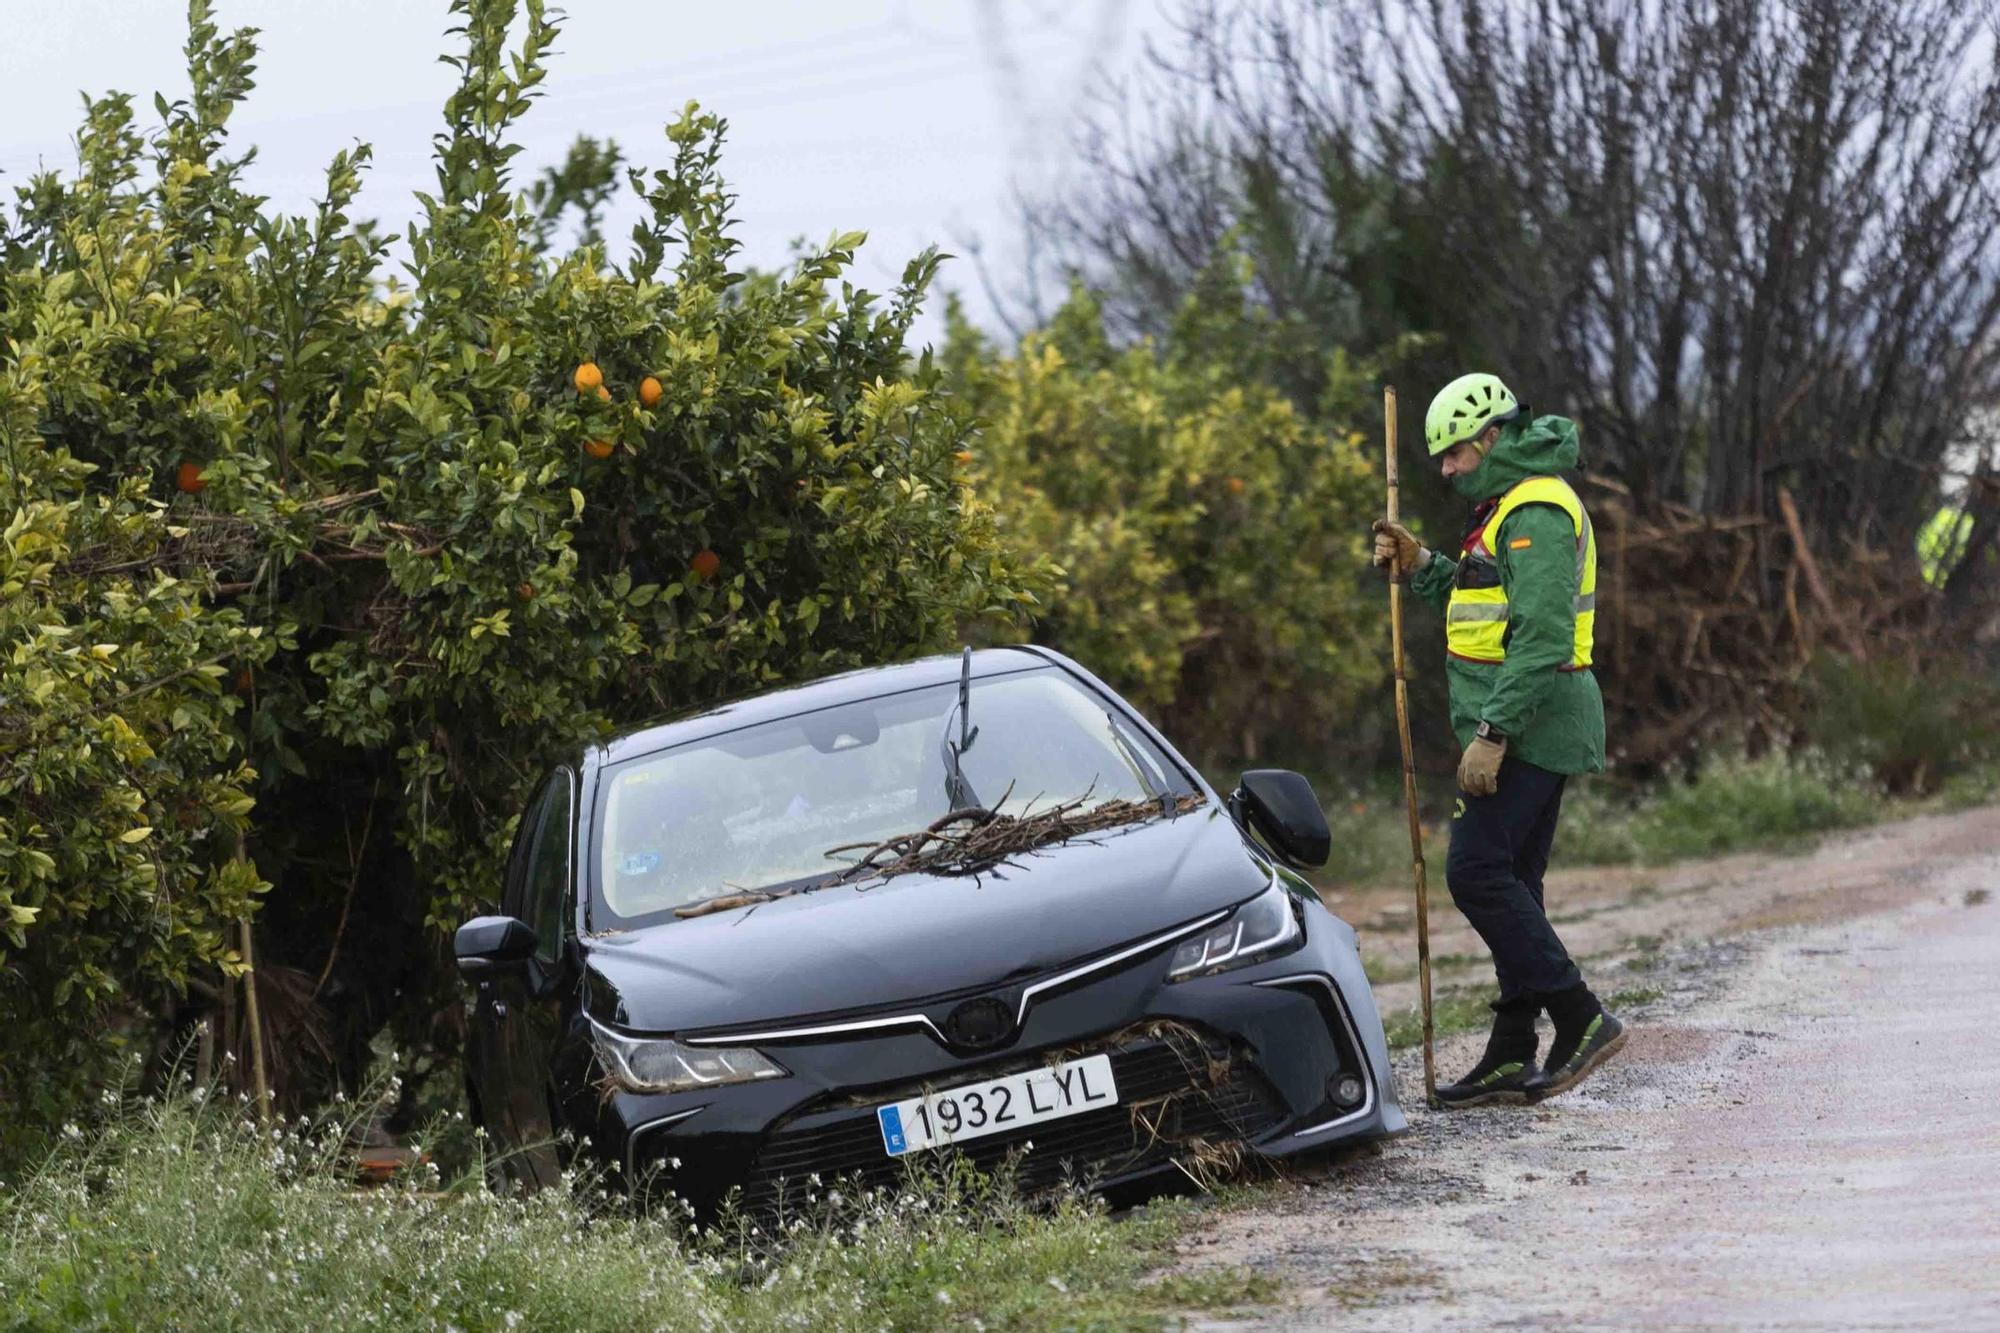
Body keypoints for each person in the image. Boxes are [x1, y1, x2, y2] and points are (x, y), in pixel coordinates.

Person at [1371, 372, 1626, 1107]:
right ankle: (1514, 1046)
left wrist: (1493, 733)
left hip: (1533, 725)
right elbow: (1483, 601)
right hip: (1528, 722)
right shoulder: (1508, 507)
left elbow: (1541, 635)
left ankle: (1581, 1017)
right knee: (1515, 879)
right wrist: (1420, 566)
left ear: (1489, 439)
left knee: (1476, 873)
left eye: (1453, 454)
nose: (1447, 470)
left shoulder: (1537, 510)